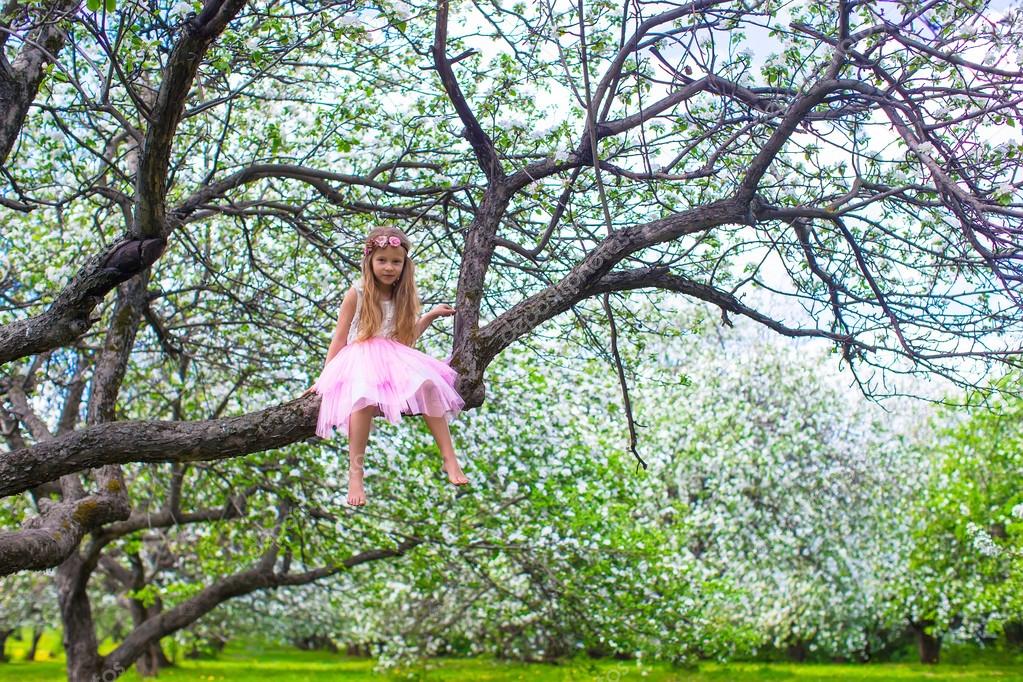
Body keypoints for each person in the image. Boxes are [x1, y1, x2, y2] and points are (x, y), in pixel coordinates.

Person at [303, 226, 469, 506]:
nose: (389, 267)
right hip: (358, 358)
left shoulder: (402, 296)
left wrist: (429, 316)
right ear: (369, 261)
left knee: (428, 384)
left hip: (392, 356)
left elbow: (405, 339)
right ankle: (355, 474)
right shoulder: (357, 292)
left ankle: (449, 459)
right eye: (382, 260)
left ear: (405, 265)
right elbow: (339, 338)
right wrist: (324, 379)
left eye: (396, 261)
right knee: (362, 399)